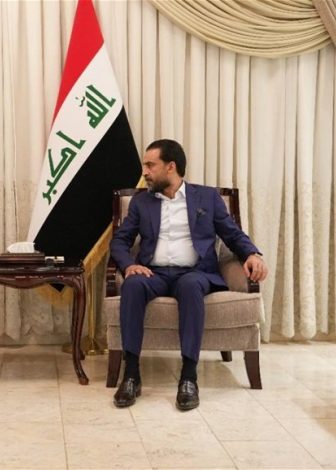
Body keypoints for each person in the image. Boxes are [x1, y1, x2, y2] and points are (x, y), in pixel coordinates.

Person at [110, 139, 268, 410]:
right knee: (133, 285)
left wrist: (252, 254)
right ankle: (132, 375)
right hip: (154, 272)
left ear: (170, 167)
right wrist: (128, 266)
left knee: (191, 286)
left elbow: (231, 233)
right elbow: (120, 241)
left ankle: (188, 377)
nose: (145, 172)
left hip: (195, 272)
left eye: (150, 165)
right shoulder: (141, 201)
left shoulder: (206, 198)